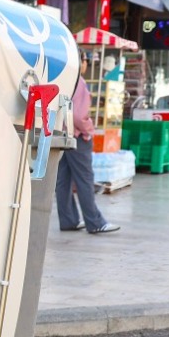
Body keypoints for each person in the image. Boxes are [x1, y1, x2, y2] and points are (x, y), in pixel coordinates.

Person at [56, 65, 119, 235]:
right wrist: (88, 130)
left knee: (63, 179)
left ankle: (68, 219)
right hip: (76, 135)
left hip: (58, 134)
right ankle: (95, 221)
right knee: (84, 178)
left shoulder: (60, 79)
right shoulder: (78, 82)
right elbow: (78, 115)